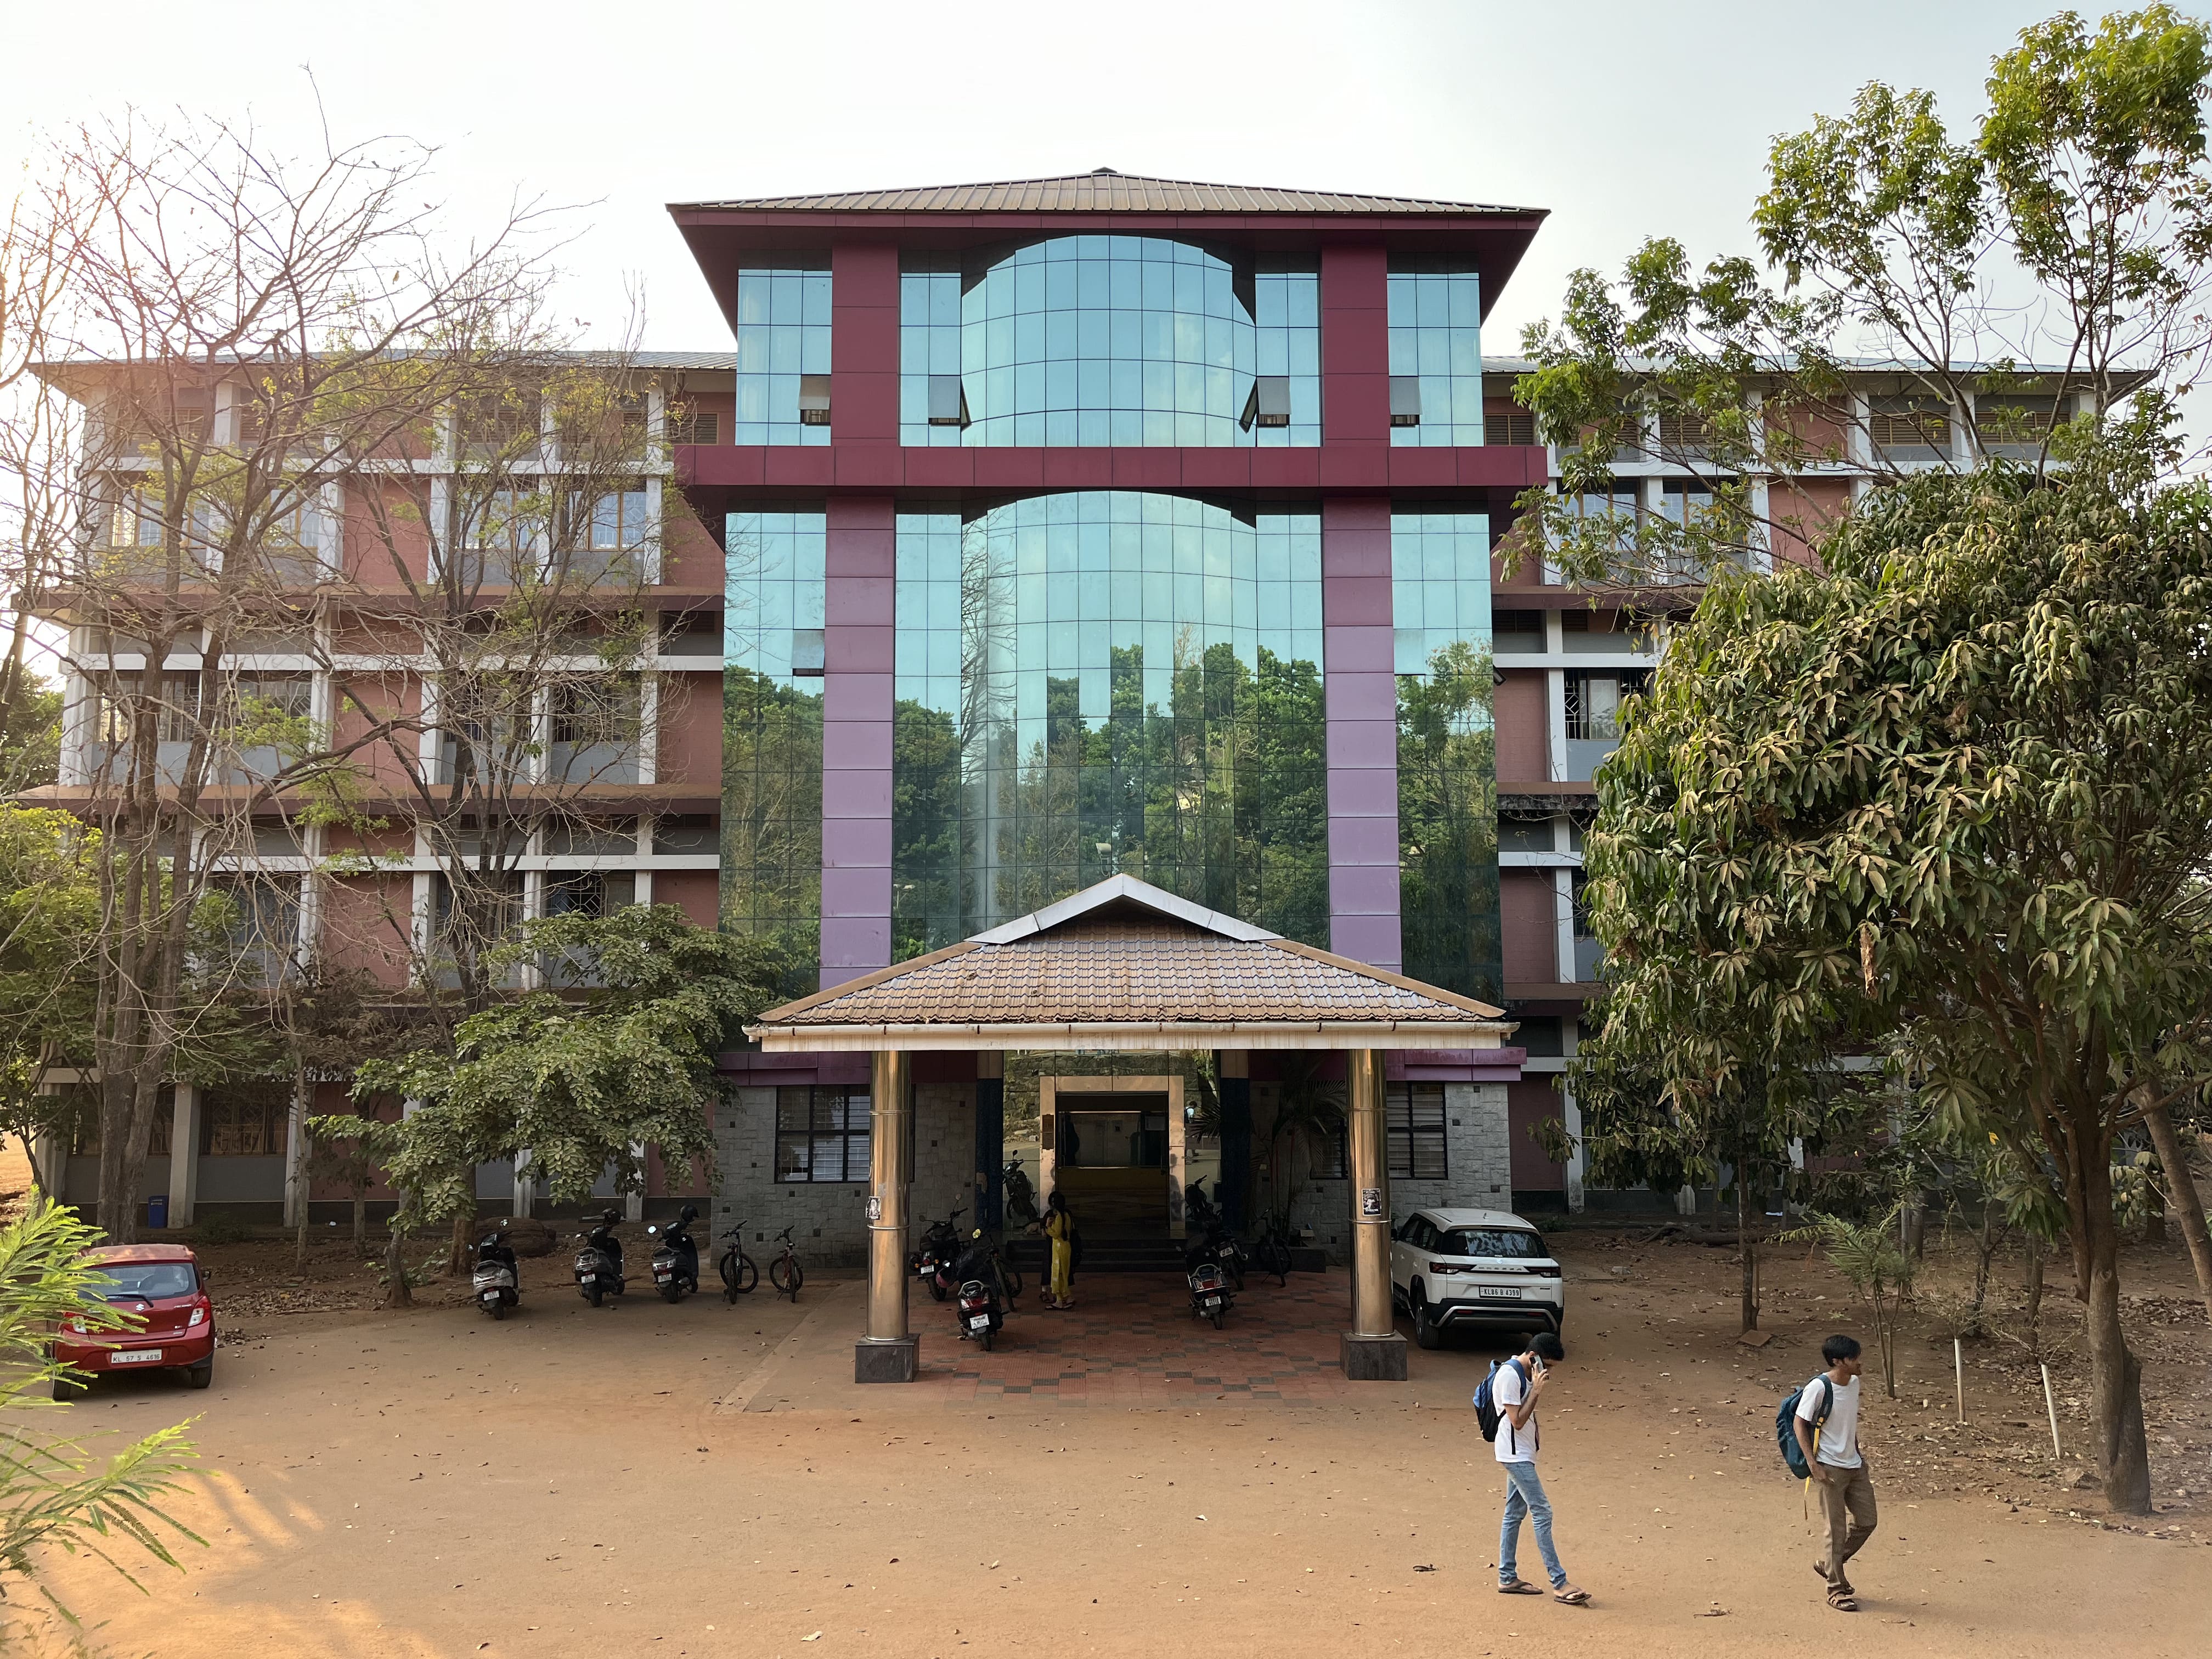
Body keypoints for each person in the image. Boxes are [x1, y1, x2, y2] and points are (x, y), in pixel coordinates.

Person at [1494, 1330, 1588, 1605]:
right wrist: (1536, 1390)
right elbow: (1517, 1421)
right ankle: (1559, 1582)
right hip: (1514, 1456)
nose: (1548, 1371)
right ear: (1533, 1357)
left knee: (1514, 1513)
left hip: (1521, 1453)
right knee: (1542, 1511)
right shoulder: (1510, 1376)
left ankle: (1507, 1576)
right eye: (1546, 1365)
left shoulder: (1521, 1374)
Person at [1795, 1333, 1876, 1612]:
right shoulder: (1818, 1388)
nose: (1859, 1363)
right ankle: (1835, 1589)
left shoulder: (1854, 1383)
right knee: (1836, 1529)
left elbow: (1847, 1422)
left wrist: (1857, 1454)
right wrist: (1813, 1466)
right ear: (1838, 1361)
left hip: (1855, 1465)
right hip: (1829, 1468)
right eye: (1854, 1359)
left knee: (1867, 1521)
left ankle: (1829, 1564)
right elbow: (1799, 1424)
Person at [1042, 1189, 1075, 1311]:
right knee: (1064, 1274)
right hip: (1066, 1248)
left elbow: (1056, 1233)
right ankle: (1067, 1296)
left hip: (1059, 1249)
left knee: (1057, 1274)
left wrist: (1047, 1227)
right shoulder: (1067, 1215)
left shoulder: (1059, 1217)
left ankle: (1059, 1300)